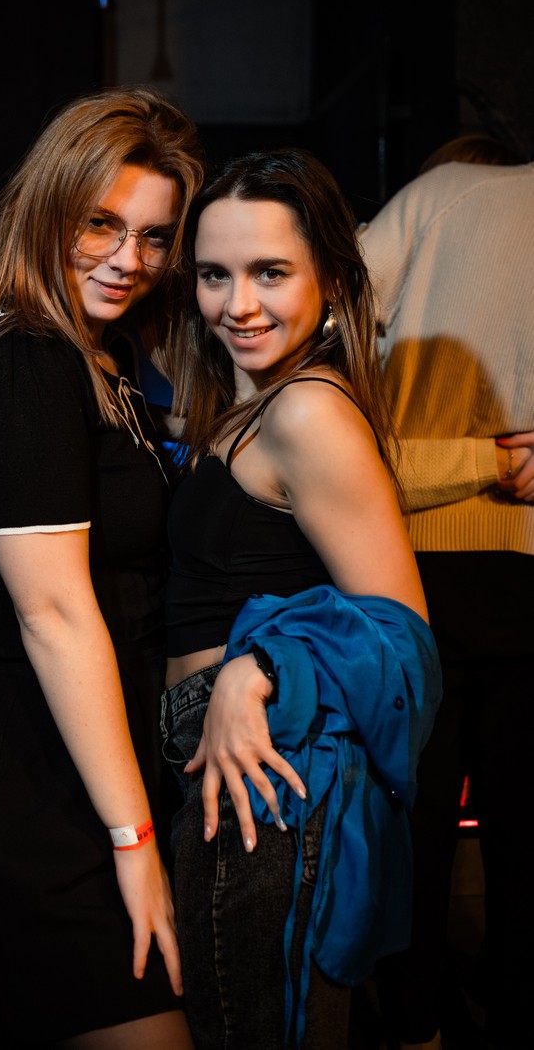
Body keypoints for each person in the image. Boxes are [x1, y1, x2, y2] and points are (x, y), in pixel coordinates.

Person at [0, 85, 205, 1049]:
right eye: (102, 224)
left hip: (98, 754)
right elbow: (55, 617)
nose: (130, 259)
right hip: (43, 772)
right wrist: (133, 838)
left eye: (154, 236)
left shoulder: (100, 355)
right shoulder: (27, 363)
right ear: (49, 208)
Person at [159, 148, 443, 1050]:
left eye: (270, 272)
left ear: (330, 276)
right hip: (229, 767)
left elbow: (408, 645)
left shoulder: (307, 411)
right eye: (214, 274)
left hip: (266, 778)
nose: (237, 304)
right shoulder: (252, 401)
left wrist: (262, 671)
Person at [358, 140, 534, 1050]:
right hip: (525, 568)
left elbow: (325, 303)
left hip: (422, 562)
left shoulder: (437, 200)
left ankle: (414, 1020)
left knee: (415, 821)